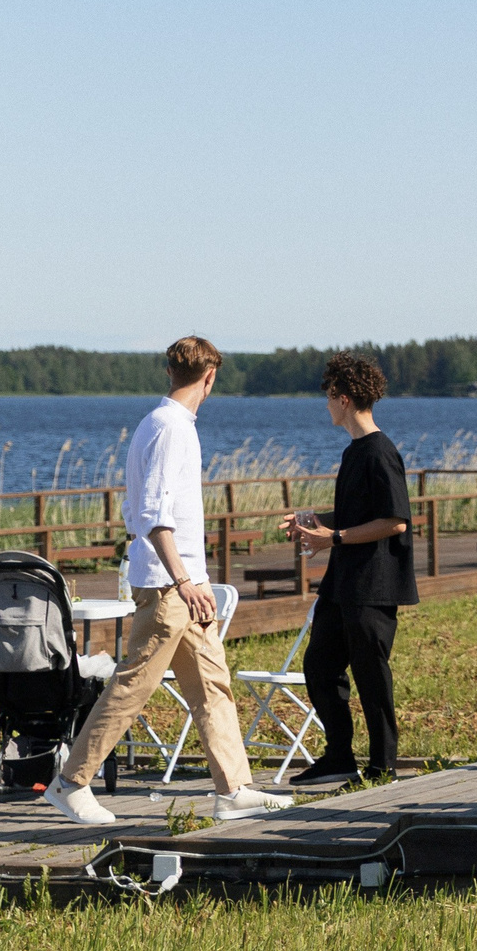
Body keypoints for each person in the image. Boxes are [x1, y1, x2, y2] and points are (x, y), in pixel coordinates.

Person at [43, 339, 292, 826]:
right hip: (169, 587)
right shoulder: (170, 428)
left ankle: (233, 789)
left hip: (184, 585)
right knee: (133, 684)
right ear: (210, 377)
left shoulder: (162, 425)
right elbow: (154, 515)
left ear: (169, 371)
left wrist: (194, 580)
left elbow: (138, 509)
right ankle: (70, 782)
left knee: (212, 684)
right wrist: (183, 581)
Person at [278, 354, 416, 783]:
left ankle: (382, 766)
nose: (326, 406)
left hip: (373, 583)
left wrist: (333, 538)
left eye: (329, 397)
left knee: (370, 674)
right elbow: (359, 513)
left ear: (344, 399)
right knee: (320, 666)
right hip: (342, 584)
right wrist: (315, 523)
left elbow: (395, 520)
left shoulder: (379, 452)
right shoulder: (355, 450)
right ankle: (339, 756)